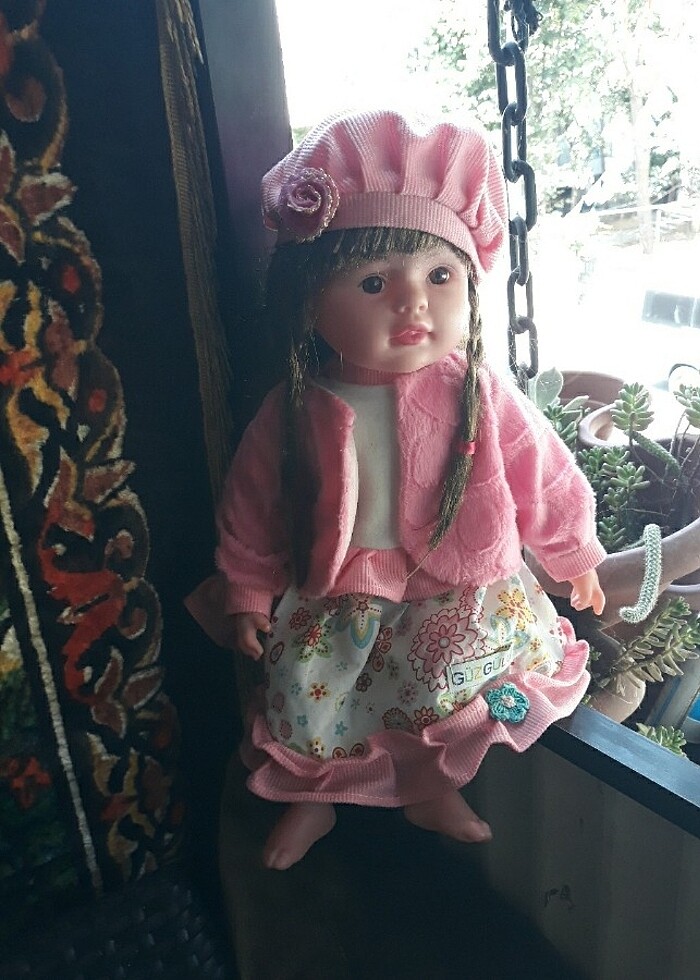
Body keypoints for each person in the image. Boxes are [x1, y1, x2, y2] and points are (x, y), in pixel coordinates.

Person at [201, 109, 606, 871]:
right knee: (307, 700)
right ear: (311, 300)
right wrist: (248, 589)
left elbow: (542, 468)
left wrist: (572, 550)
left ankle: (430, 787)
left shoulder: (476, 391)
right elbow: (251, 507)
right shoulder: (298, 405)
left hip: (456, 585)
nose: (413, 303)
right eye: (374, 281)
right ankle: (311, 799)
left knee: (447, 690)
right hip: (337, 591)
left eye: (439, 276)